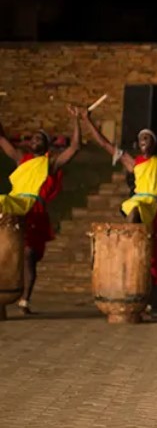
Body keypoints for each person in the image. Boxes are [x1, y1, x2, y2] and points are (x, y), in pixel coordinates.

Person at [81, 102, 157, 307]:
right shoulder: (132, 162)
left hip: (153, 205)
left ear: (153, 143)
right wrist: (87, 120)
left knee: (152, 252)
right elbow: (104, 144)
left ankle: (141, 282)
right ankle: (129, 251)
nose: (143, 140)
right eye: (140, 138)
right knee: (134, 210)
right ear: (138, 145)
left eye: (147, 137)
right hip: (138, 201)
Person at [0, 107, 81, 314]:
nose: (35, 140)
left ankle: (25, 300)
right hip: (15, 203)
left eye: (40, 138)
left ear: (46, 145)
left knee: (28, 255)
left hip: (34, 209)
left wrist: (76, 121)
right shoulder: (21, 158)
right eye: (33, 138)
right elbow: (2, 139)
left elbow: (74, 147)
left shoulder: (50, 163)